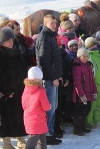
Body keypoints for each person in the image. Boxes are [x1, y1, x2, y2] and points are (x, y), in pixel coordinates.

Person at [0, 27, 28, 149]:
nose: (11, 42)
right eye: (7, 40)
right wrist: (6, 90)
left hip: (19, 89)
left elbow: (22, 69)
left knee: (19, 115)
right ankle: (6, 143)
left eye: (11, 39)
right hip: (6, 93)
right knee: (6, 117)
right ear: (1, 42)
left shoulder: (15, 52)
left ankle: (20, 139)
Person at [36, 14, 63, 145]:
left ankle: (50, 132)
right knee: (48, 108)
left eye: (55, 22)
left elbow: (55, 58)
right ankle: (46, 135)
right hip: (47, 79)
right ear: (45, 24)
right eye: (51, 23)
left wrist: (59, 74)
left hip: (53, 77)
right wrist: (53, 77)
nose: (54, 25)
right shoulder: (44, 37)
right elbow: (44, 60)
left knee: (54, 106)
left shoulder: (51, 36)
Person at [22, 67, 51, 149]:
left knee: (38, 139)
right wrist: (49, 106)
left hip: (29, 118)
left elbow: (23, 104)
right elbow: (45, 107)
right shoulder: (41, 91)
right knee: (37, 141)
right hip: (38, 119)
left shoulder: (26, 89)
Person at [72, 47, 97, 136]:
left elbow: (92, 80)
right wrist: (81, 95)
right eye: (83, 56)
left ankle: (82, 127)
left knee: (86, 110)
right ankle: (77, 129)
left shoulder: (88, 65)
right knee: (79, 112)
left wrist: (94, 91)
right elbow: (77, 83)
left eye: (87, 56)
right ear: (79, 57)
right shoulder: (77, 67)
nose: (85, 58)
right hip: (80, 96)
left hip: (88, 93)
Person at [85, 37, 100, 129]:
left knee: (98, 104)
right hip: (92, 86)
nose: (94, 47)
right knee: (92, 105)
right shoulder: (88, 58)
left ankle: (96, 120)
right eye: (91, 45)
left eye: (95, 45)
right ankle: (89, 122)